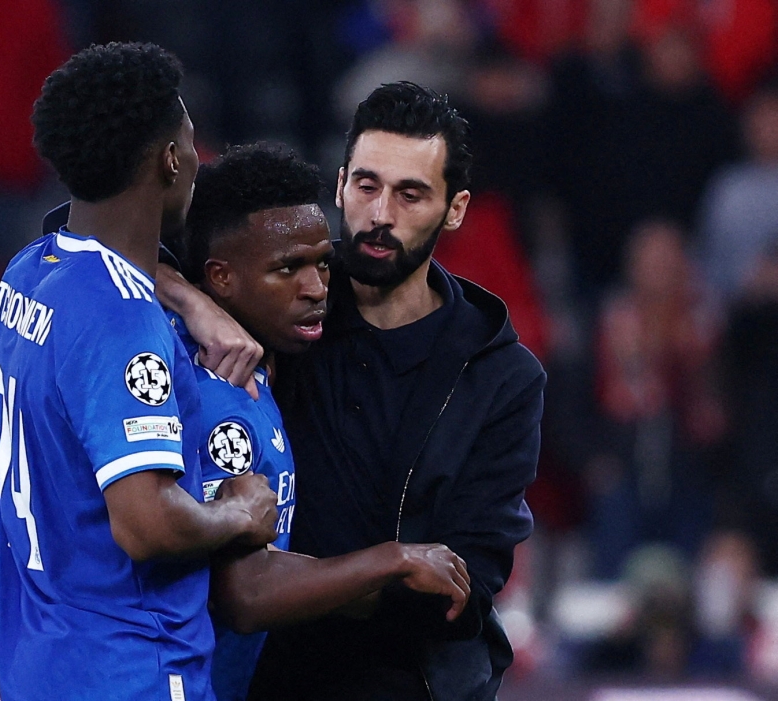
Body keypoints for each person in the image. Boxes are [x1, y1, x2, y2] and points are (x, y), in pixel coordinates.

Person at [156, 82, 544, 700]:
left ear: (456, 208)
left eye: (410, 194)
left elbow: (459, 589)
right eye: (367, 185)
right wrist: (193, 302)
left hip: (405, 683)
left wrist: (283, 583)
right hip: (262, 675)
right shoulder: (281, 288)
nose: (380, 214)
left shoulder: (501, 379)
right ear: (340, 185)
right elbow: (98, 241)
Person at [0, 43, 278, 701]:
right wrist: (241, 513)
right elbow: (146, 524)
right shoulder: (122, 321)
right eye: (191, 146)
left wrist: (181, 295)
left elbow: (13, 360)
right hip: (132, 670)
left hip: (39, 666)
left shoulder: (30, 271)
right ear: (170, 160)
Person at [173, 142, 472, 701]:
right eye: (287, 269)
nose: (316, 288)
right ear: (220, 278)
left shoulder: (262, 363)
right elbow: (244, 593)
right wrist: (393, 560)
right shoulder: (217, 395)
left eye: (322, 264)